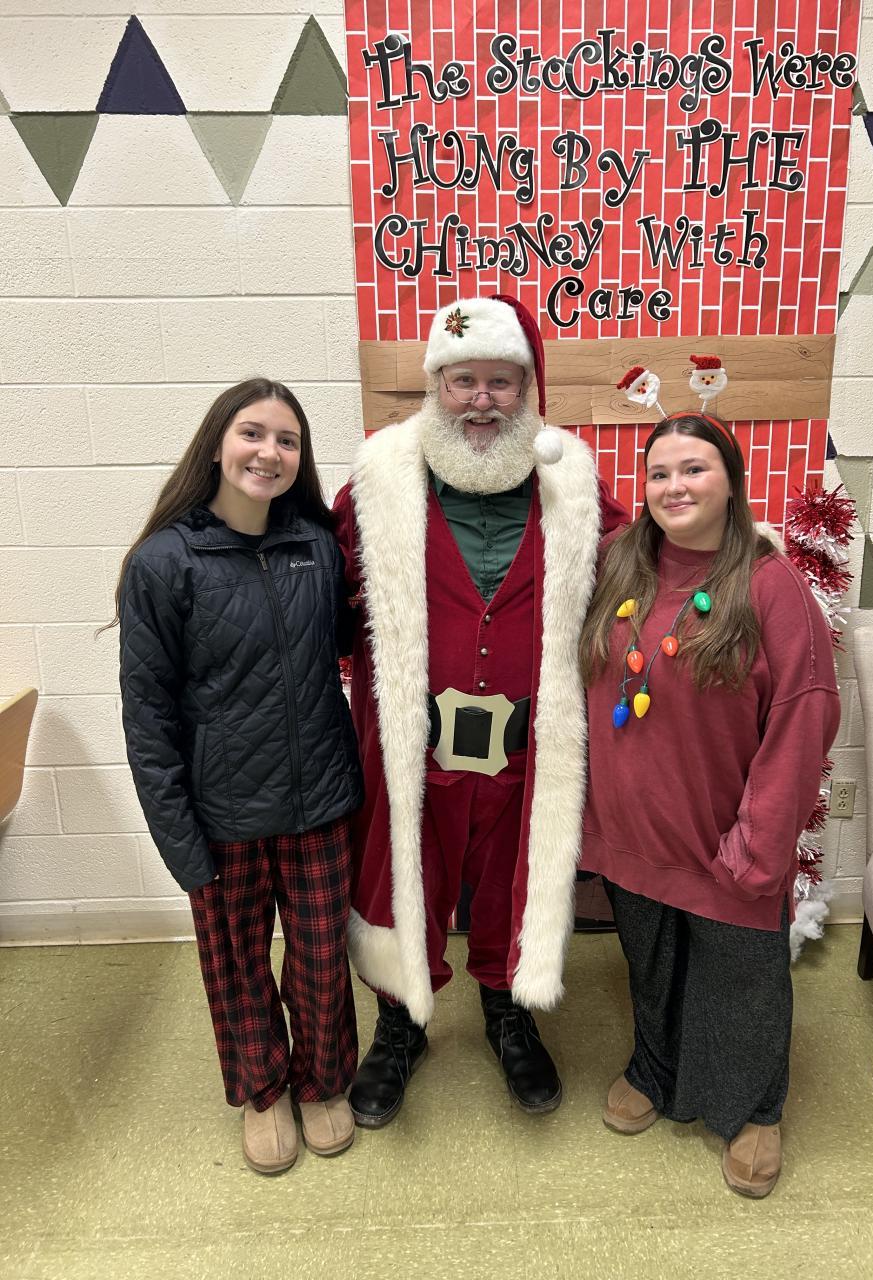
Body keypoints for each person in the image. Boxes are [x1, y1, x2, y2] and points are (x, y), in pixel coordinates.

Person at [334, 295, 627, 1127]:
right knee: (405, 878)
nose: (482, 399)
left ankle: (508, 1012)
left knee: (511, 882)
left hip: (526, 746)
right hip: (413, 744)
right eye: (464, 380)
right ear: (437, 385)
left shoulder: (571, 480)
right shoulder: (379, 479)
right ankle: (400, 1024)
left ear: (528, 389)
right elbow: (322, 583)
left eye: (501, 381)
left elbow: (638, 568)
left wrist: (736, 559)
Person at [578, 412, 840, 1198]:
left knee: (742, 977)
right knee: (650, 966)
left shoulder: (770, 586)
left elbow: (803, 718)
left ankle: (756, 1109)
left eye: (694, 469)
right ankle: (654, 1068)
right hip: (632, 831)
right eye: (659, 473)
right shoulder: (616, 565)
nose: (674, 487)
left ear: (731, 481)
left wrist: (761, 842)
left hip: (725, 837)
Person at [114, 379, 364, 1174]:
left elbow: (359, 639)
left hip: (319, 801)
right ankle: (263, 1092)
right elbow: (147, 718)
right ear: (217, 442)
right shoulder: (164, 563)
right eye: (253, 433)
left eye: (287, 440)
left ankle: (322, 1081)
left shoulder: (318, 547)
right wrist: (178, 839)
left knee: (320, 962)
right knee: (237, 969)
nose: (269, 452)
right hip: (220, 814)